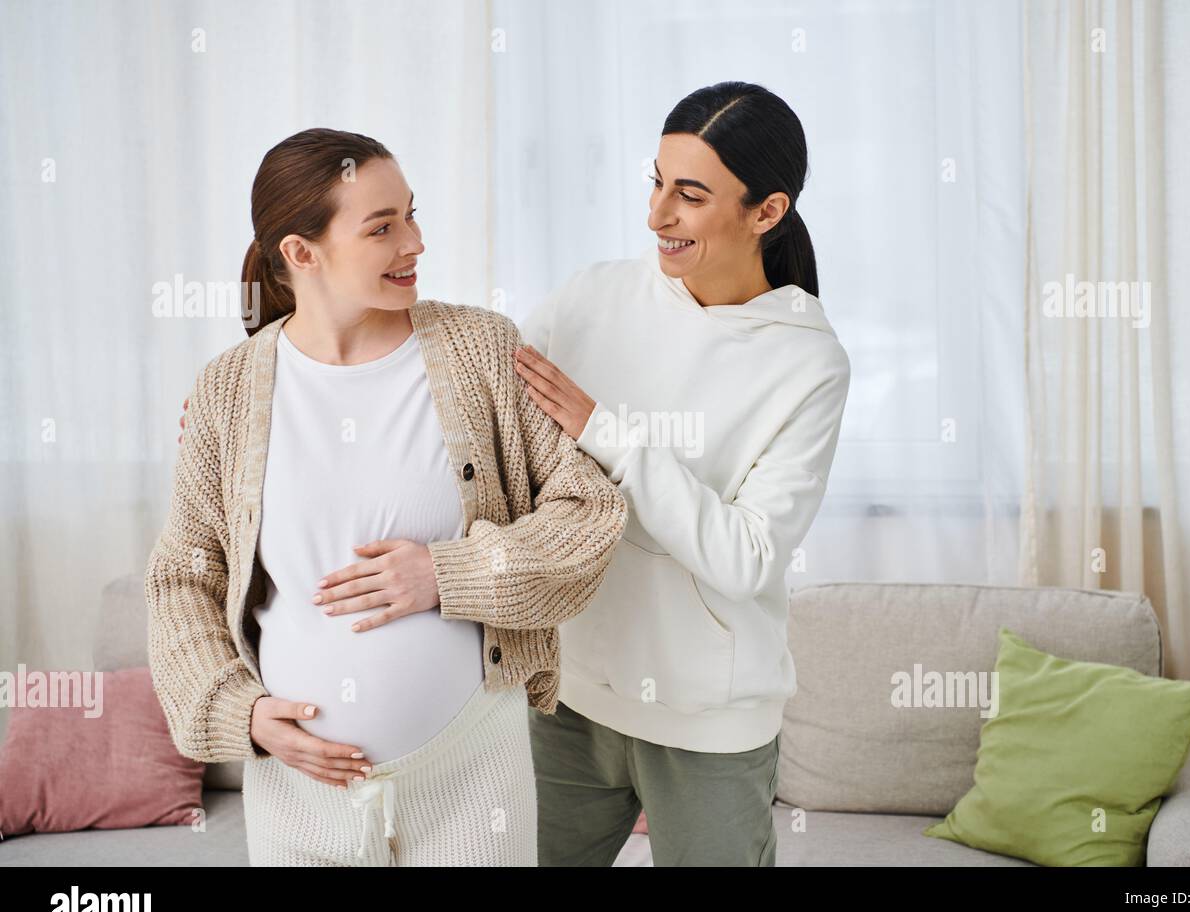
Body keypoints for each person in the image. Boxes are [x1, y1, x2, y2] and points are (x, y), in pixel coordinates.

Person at [148, 127, 626, 866]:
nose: (416, 242)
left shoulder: (481, 351)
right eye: (383, 227)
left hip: (473, 779)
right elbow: (184, 579)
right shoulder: (228, 389)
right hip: (299, 798)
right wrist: (242, 715)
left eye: (411, 214)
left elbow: (589, 515)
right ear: (301, 254)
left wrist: (448, 573)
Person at [515, 81, 851, 866]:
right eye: (656, 182)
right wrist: (274, 400)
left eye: (690, 196)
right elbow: (475, 417)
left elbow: (747, 556)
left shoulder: (808, 362)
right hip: (570, 697)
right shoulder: (593, 296)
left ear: (766, 212)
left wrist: (608, 433)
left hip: (708, 724)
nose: (656, 215)